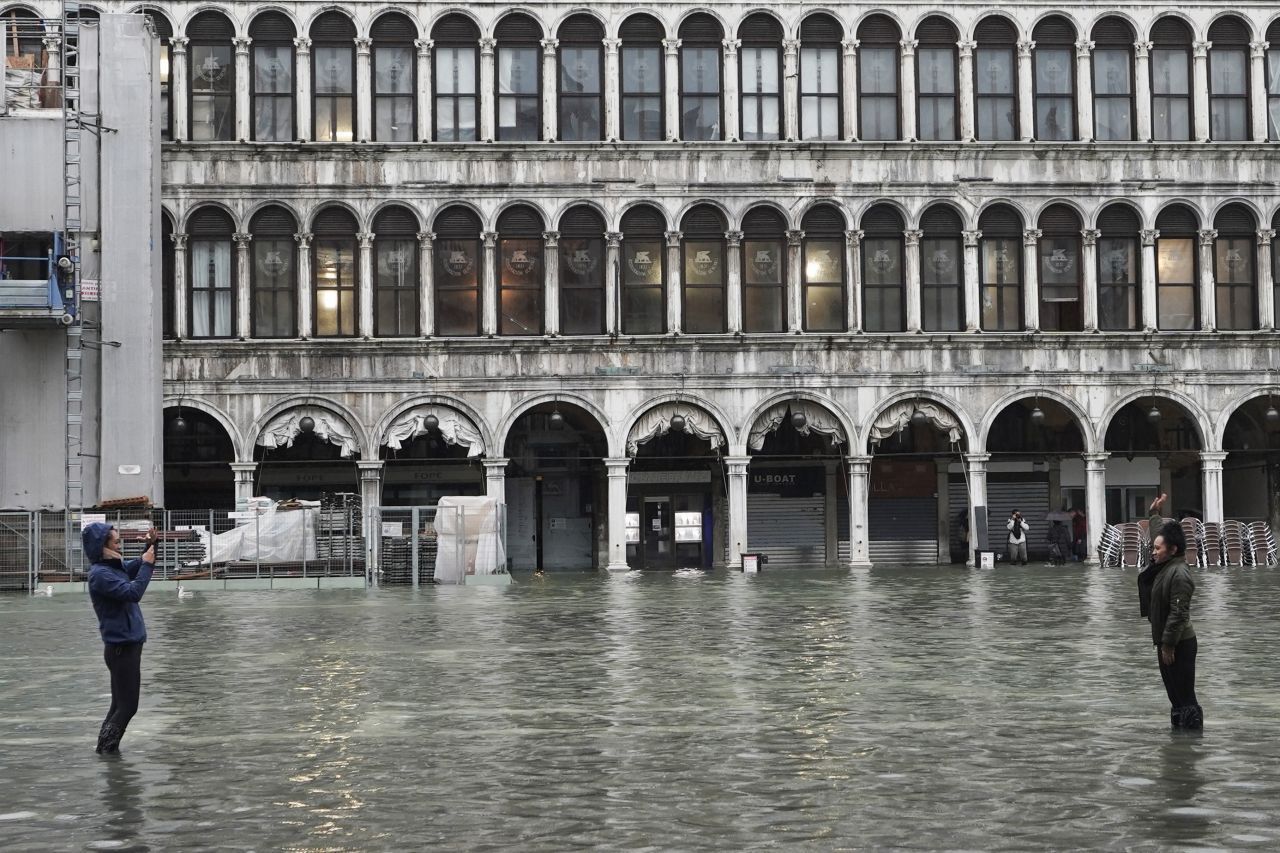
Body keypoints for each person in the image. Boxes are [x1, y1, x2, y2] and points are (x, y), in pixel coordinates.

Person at [85, 522, 157, 754]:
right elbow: (133, 593)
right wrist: (147, 564)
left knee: (119, 705)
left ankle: (105, 751)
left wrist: (151, 544)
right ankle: (107, 750)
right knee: (128, 707)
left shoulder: (114, 568)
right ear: (102, 546)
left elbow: (137, 565)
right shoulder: (101, 575)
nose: (120, 544)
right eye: (115, 541)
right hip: (121, 649)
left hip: (124, 648)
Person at [1136, 493, 1202, 730]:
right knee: (1174, 698)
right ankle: (1179, 746)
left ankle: (1193, 741)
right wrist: (1154, 515)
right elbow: (1159, 537)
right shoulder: (1166, 563)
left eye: (1157, 549)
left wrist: (1168, 645)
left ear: (1172, 550)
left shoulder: (1179, 574)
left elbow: (1178, 614)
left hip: (1179, 644)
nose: (1153, 552)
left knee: (1185, 698)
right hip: (1167, 641)